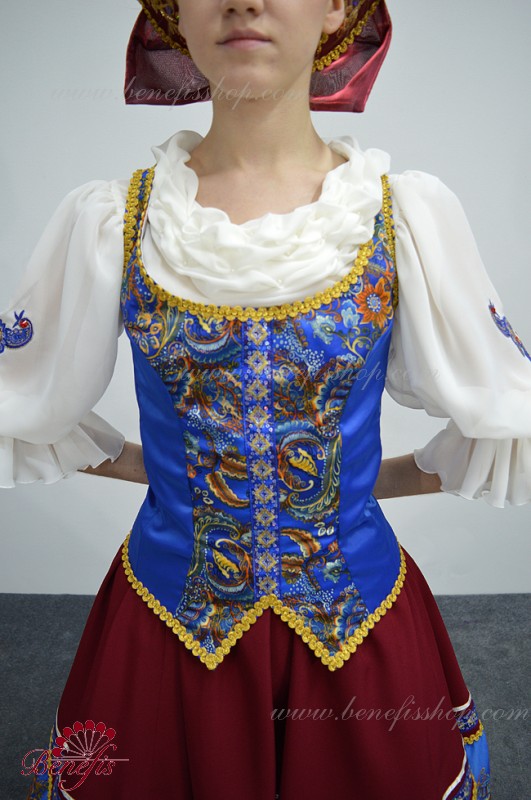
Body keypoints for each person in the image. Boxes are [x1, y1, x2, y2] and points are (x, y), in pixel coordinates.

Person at [2, 1, 530, 798]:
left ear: (336, 9)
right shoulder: (115, 219)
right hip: (169, 624)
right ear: (173, 13)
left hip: (355, 630)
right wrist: (182, 481)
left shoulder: (402, 217)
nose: (245, 0)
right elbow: (23, 405)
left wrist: (346, 491)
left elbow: (503, 416)